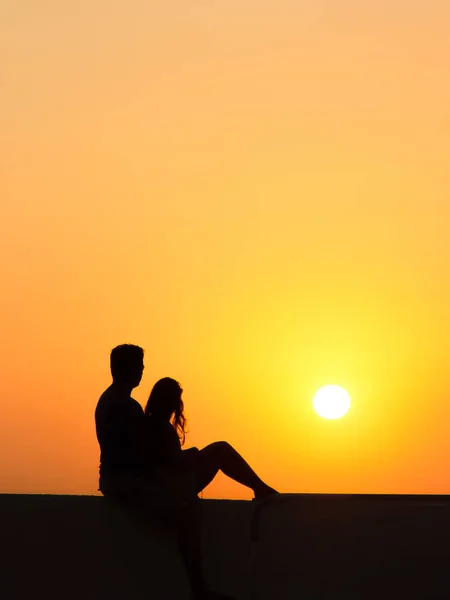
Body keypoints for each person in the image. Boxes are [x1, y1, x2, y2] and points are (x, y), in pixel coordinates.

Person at [95, 345, 233, 600]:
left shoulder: (114, 401)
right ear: (127, 368)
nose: (142, 370)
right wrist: (178, 462)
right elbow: (142, 457)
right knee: (186, 512)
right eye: (139, 365)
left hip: (121, 480)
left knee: (208, 462)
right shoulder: (124, 406)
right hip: (126, 484)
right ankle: (199, 589)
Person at [144, 377, 278, 501]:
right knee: (221, 450)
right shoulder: (159, 426)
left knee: (219, 448)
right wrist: (191, 455)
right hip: (173, 488)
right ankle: (260, 488)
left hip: (170, 485)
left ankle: (259, 487)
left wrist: (188, 454)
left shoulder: (152, 423)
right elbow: (170, 463)